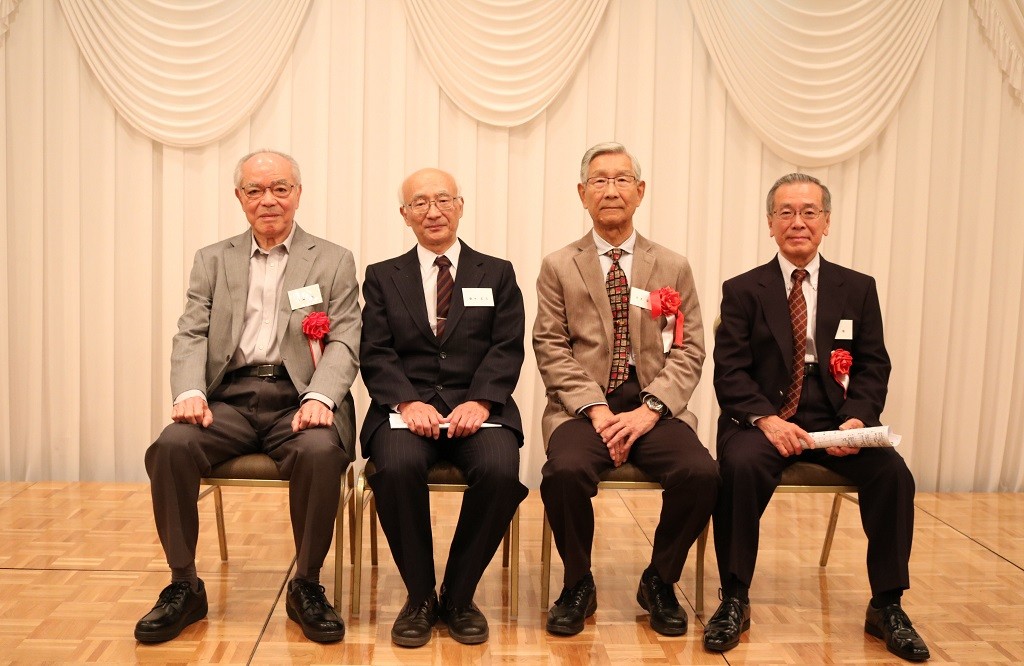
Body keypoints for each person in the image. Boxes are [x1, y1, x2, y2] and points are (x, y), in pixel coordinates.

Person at [135, 150, 360, 645]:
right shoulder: (212, 259)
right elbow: (191, 332)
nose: (268, 200)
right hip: (230, 400)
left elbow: (345, 339)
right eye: (255, 190)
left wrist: (321, 397)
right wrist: (190, 390)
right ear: (239, 197)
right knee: (171, 446)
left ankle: (306, 585)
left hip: (298, 397)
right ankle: (184, 585)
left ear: (298, 194)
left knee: (321, 453)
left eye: (280, 188)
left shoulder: (333, 259)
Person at [707, 173, 929, 661]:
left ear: (826, 222)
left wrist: (857, 419)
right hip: (766, 418)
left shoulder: (858, 288)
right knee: (739, 468)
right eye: (786, 212)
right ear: (770, 223)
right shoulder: (742, 289)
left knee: (893, 474)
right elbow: (730, 371)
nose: (798, 222)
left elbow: (873, 365)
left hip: (835, 417)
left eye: (809, 212)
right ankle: (735, 598)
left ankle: (887, 605)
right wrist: (767, 420)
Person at [533, 142, 719, 637]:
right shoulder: (558, 265)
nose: (610, 190)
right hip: (582, 408)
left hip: (652, 404)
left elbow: (690, 348)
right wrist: (596, 409)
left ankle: (660, 579)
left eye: (621, 180)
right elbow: (550, 346)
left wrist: (651, 408)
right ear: (582, 193)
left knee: (701, 473)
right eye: (599, 180)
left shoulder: (673, 265)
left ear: (640, 191)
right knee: (564, 473)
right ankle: (578, 582)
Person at [359, 168, 528, 648]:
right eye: (420, 203)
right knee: (395, 467)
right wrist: (406, 401)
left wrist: (482, 399)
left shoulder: (496, 272)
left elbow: (507, 345)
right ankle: (418, 597)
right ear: (404, 214)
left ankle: (458, 595)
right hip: (406, 409)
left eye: (442, 200)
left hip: (479, 406)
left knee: (499, 471)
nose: (432, 211)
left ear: (460, 206)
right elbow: (375, 350)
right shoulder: (382, 276)